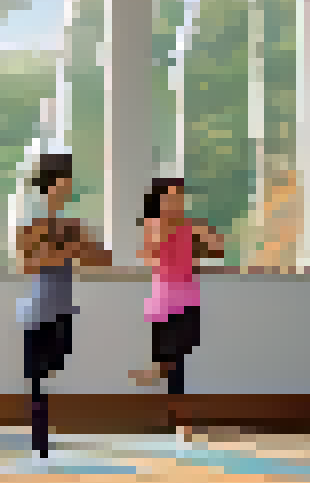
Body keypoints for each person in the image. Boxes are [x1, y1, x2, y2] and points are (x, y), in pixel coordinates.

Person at [15, 154, 110, 456]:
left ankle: (41, 440)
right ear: (52, 183)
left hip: (62, 310)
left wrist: (68, 249)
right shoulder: (32, 220)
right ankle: (39, 444)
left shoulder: (70, 223)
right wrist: (67, 250)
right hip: (37, 311)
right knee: (38, 379)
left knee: (52, 366)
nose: (68, 185)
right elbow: (27, 263)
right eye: (65, 179)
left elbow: (101, 257)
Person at [132, 177, 225, 440]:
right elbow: (150, 252)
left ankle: (157, 371)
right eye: (171, 197)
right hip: (163, 304)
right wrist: (171, 223)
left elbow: (217, 248)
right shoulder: (152, 225)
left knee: (179, 356)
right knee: (176, 368)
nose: (177, 202)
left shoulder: (189, 227)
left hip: (189, 301)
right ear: (160, 200)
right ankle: (179, 423)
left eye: (180, 197)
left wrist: (201, 231)